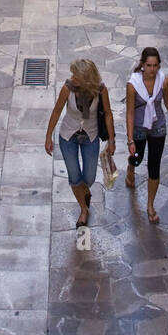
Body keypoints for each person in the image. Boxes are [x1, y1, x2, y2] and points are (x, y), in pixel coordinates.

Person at [45, 59, 115, 227]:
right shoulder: (67, 89)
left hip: (90, 136)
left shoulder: (100, 90)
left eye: (76, 76)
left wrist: (111, 140)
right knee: (75, 176)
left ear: (86, 78)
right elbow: (56, 112)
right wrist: (48, 136)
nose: (72, 78)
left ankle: (84, 192)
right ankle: (84, 209)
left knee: (89, 176)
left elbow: (107, 114)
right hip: (68, 136)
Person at [125, 47, 168, 224]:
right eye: (149, 65)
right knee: (137, 158)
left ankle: (150, 205)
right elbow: (130, 112)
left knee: (154, 166)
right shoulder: (133, 85)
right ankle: (131, 169)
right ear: (142, 65)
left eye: (155, 65)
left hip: (158, 126)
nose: (152, 69)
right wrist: (130, 139)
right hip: (139, 127)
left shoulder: (164, 82)